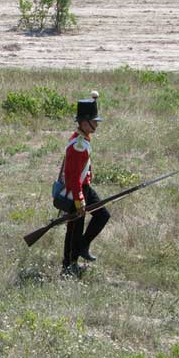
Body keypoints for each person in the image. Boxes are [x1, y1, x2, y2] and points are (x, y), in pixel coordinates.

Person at [59, 97, 110, 276]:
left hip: (84, 187)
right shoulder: (79, 144)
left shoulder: (82, 139)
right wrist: (79, 199)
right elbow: (73, 176)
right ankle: (68, 265)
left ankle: (82, 247)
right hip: (77, 190)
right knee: (74, 229)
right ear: (84, 122)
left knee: (102, 215)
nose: (96, 124)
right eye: (93, 121)